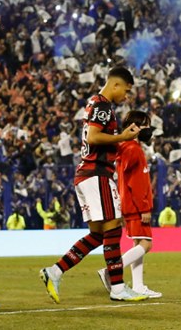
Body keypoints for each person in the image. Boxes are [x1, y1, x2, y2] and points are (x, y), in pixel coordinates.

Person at [39, 66, 144, 303]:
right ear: (115, 85)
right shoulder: (103, 106)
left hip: (88, 174)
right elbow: (93, 137)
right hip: (96, 175)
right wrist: (122, 137)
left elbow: (98, 140)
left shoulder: (94, 103)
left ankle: (54, 271)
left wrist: (121, 141)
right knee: (113, 228)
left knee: (98, 234)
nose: (126, 97)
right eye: (126, 91)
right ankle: (117, 288)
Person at [98, 110, 161, 298]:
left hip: (127, 203)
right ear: (135, 127)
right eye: (146, 125)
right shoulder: (134, 149)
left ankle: (139, 286)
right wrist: (144, 207)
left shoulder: (124, 147)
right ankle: (110, 271)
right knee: (146, 244)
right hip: (136, 205)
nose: (148, 130)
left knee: (137, 243)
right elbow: (138, 182)